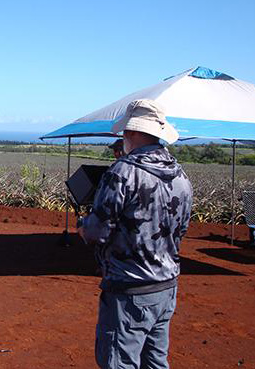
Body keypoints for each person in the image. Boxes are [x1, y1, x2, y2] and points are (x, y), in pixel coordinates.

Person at [78, 99, 193, 369]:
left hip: (130, 289)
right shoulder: (181, 176)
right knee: (155, 362)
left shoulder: (123, 173)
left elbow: (97, 231)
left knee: (119, 361)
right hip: (166, 287)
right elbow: (182, 229)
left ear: (131, 132)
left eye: (124, 133)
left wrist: (84, 225)